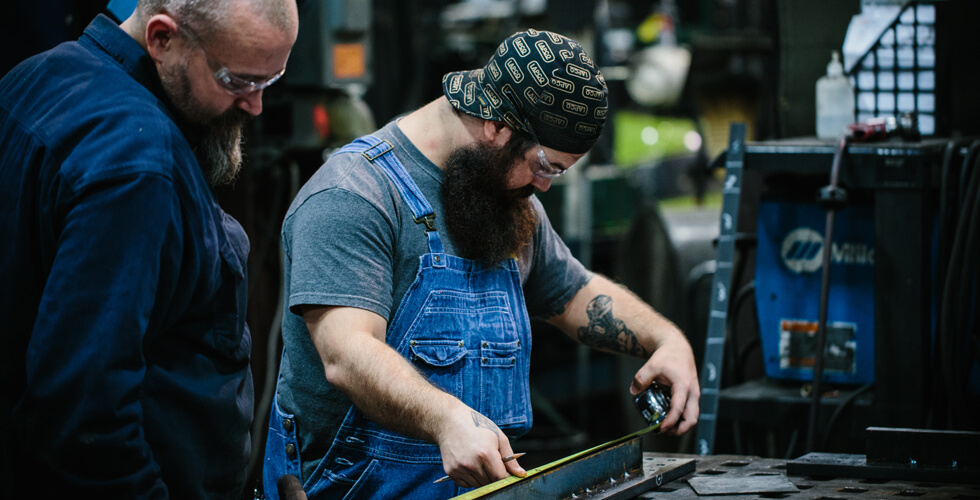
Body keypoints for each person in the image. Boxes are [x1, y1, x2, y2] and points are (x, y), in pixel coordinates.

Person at [263, 29, 700, 499]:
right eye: (545, 165)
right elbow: (347, 355)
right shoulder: (353, 196)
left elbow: (572, 292)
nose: (544, 185)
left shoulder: (505, 199)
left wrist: (665, 340)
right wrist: (446, 419)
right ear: (495, 124)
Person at [0, 0, 298, 498]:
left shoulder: (33, 77)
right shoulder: (140, 167)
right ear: (162, 38)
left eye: (270, 79)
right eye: (237, 81)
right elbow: (83, 418)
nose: (255, 105)